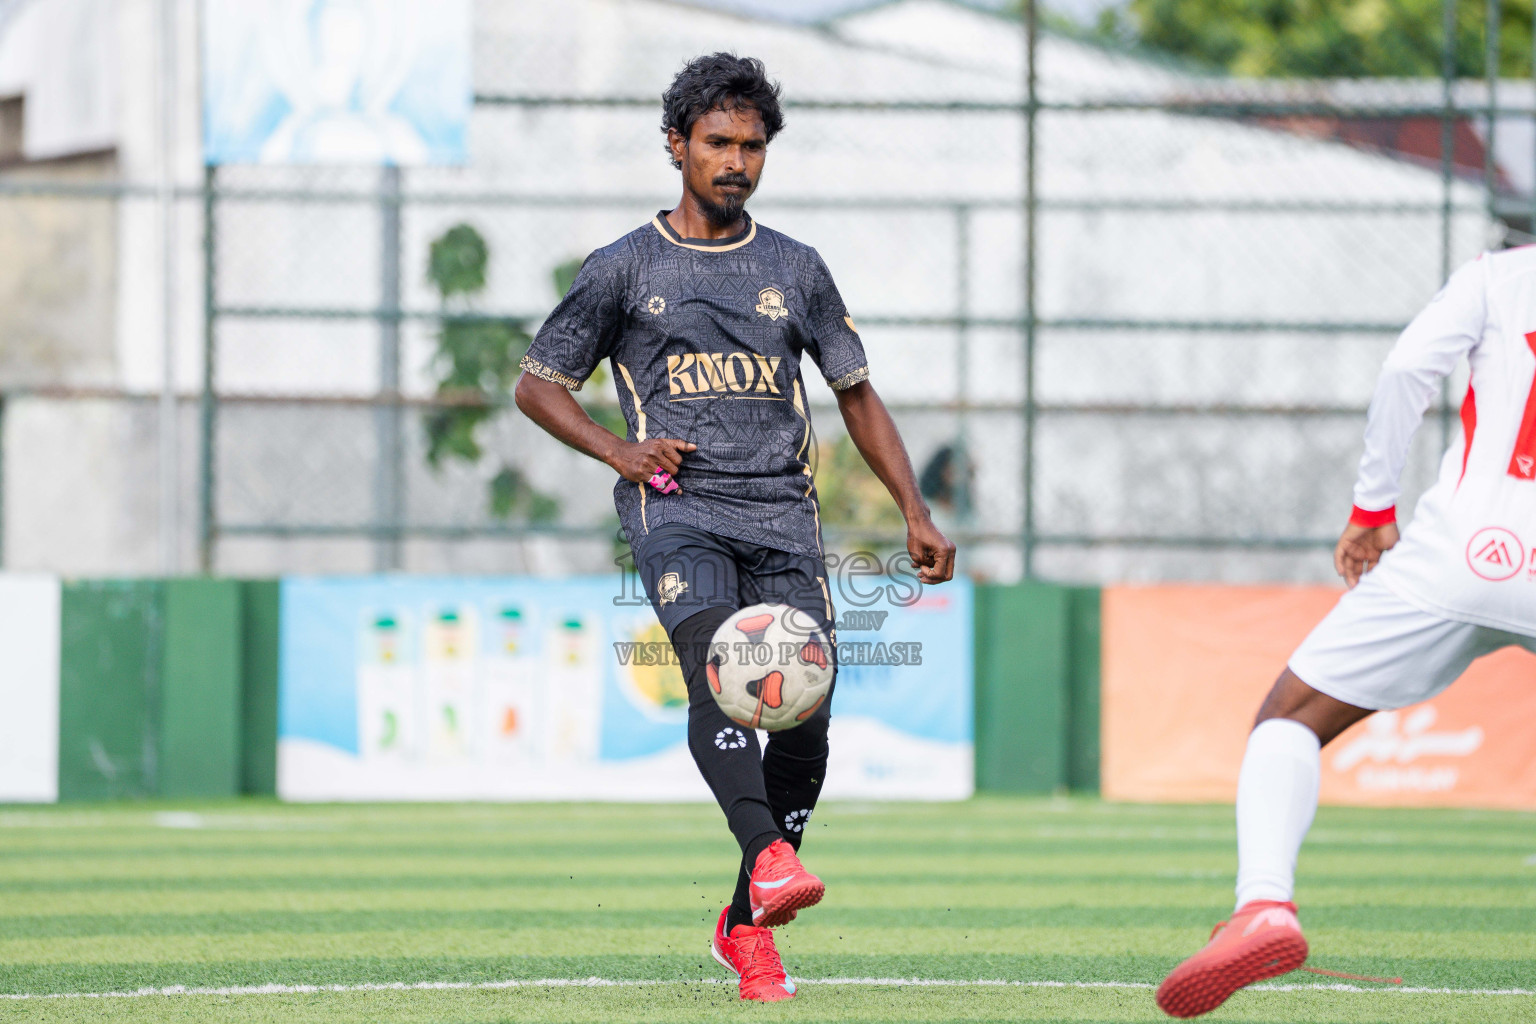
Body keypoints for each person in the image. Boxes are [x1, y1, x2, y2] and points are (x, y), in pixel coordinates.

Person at [513, 53, 956, 1003]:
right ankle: (766, 859)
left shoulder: (796, 268)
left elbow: (856, 395)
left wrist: (914, 510)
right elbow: (537, 385)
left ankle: (746, 925)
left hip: (783, 517)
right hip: (678, 512)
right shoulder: (624, 268)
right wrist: (618, 451)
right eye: (718, 143)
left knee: (806, 711)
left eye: (753, 147)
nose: (737, 162)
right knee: (722, 666)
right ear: (677, 145)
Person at [1155, 249, 1536, 1018]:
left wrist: (1372, 509)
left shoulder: (1500, 275)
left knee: (1289, 719)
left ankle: (1264, 905)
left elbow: (1405, 370)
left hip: (1461, 553)